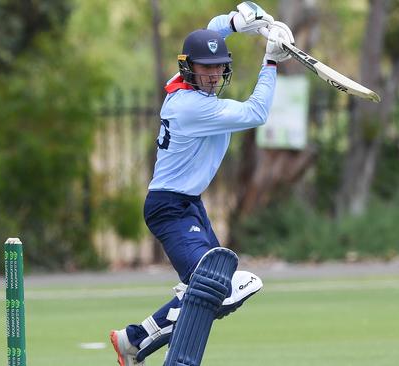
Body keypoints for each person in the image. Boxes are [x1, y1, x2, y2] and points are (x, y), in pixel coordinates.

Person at [109, 2, 294, 365]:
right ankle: (145, 346)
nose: (212, 75)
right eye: (205, 68)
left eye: (218, 67)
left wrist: (239, 23)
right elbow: (257, 113)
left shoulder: (188, 92)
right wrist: (270, 62)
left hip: (189, 204)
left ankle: (133, 340)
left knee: (209, 295)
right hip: (169, 208)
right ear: (188, 68)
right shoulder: (193, 107)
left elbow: (210, 32)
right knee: (211, 287)